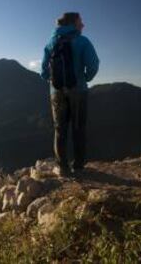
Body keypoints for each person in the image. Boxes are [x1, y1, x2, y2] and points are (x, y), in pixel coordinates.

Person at [40, 12, 99, 177]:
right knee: (79, 128)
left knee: (60, 130)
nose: (83, 25)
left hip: (56, 92)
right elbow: (93, 65)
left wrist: (54, 83)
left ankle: (62, 167)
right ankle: (79, 166)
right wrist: (85, 78)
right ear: (73, 23)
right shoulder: (82, 41)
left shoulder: (51, 42)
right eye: (80, 21)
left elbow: (43, 71)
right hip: (78, 90)